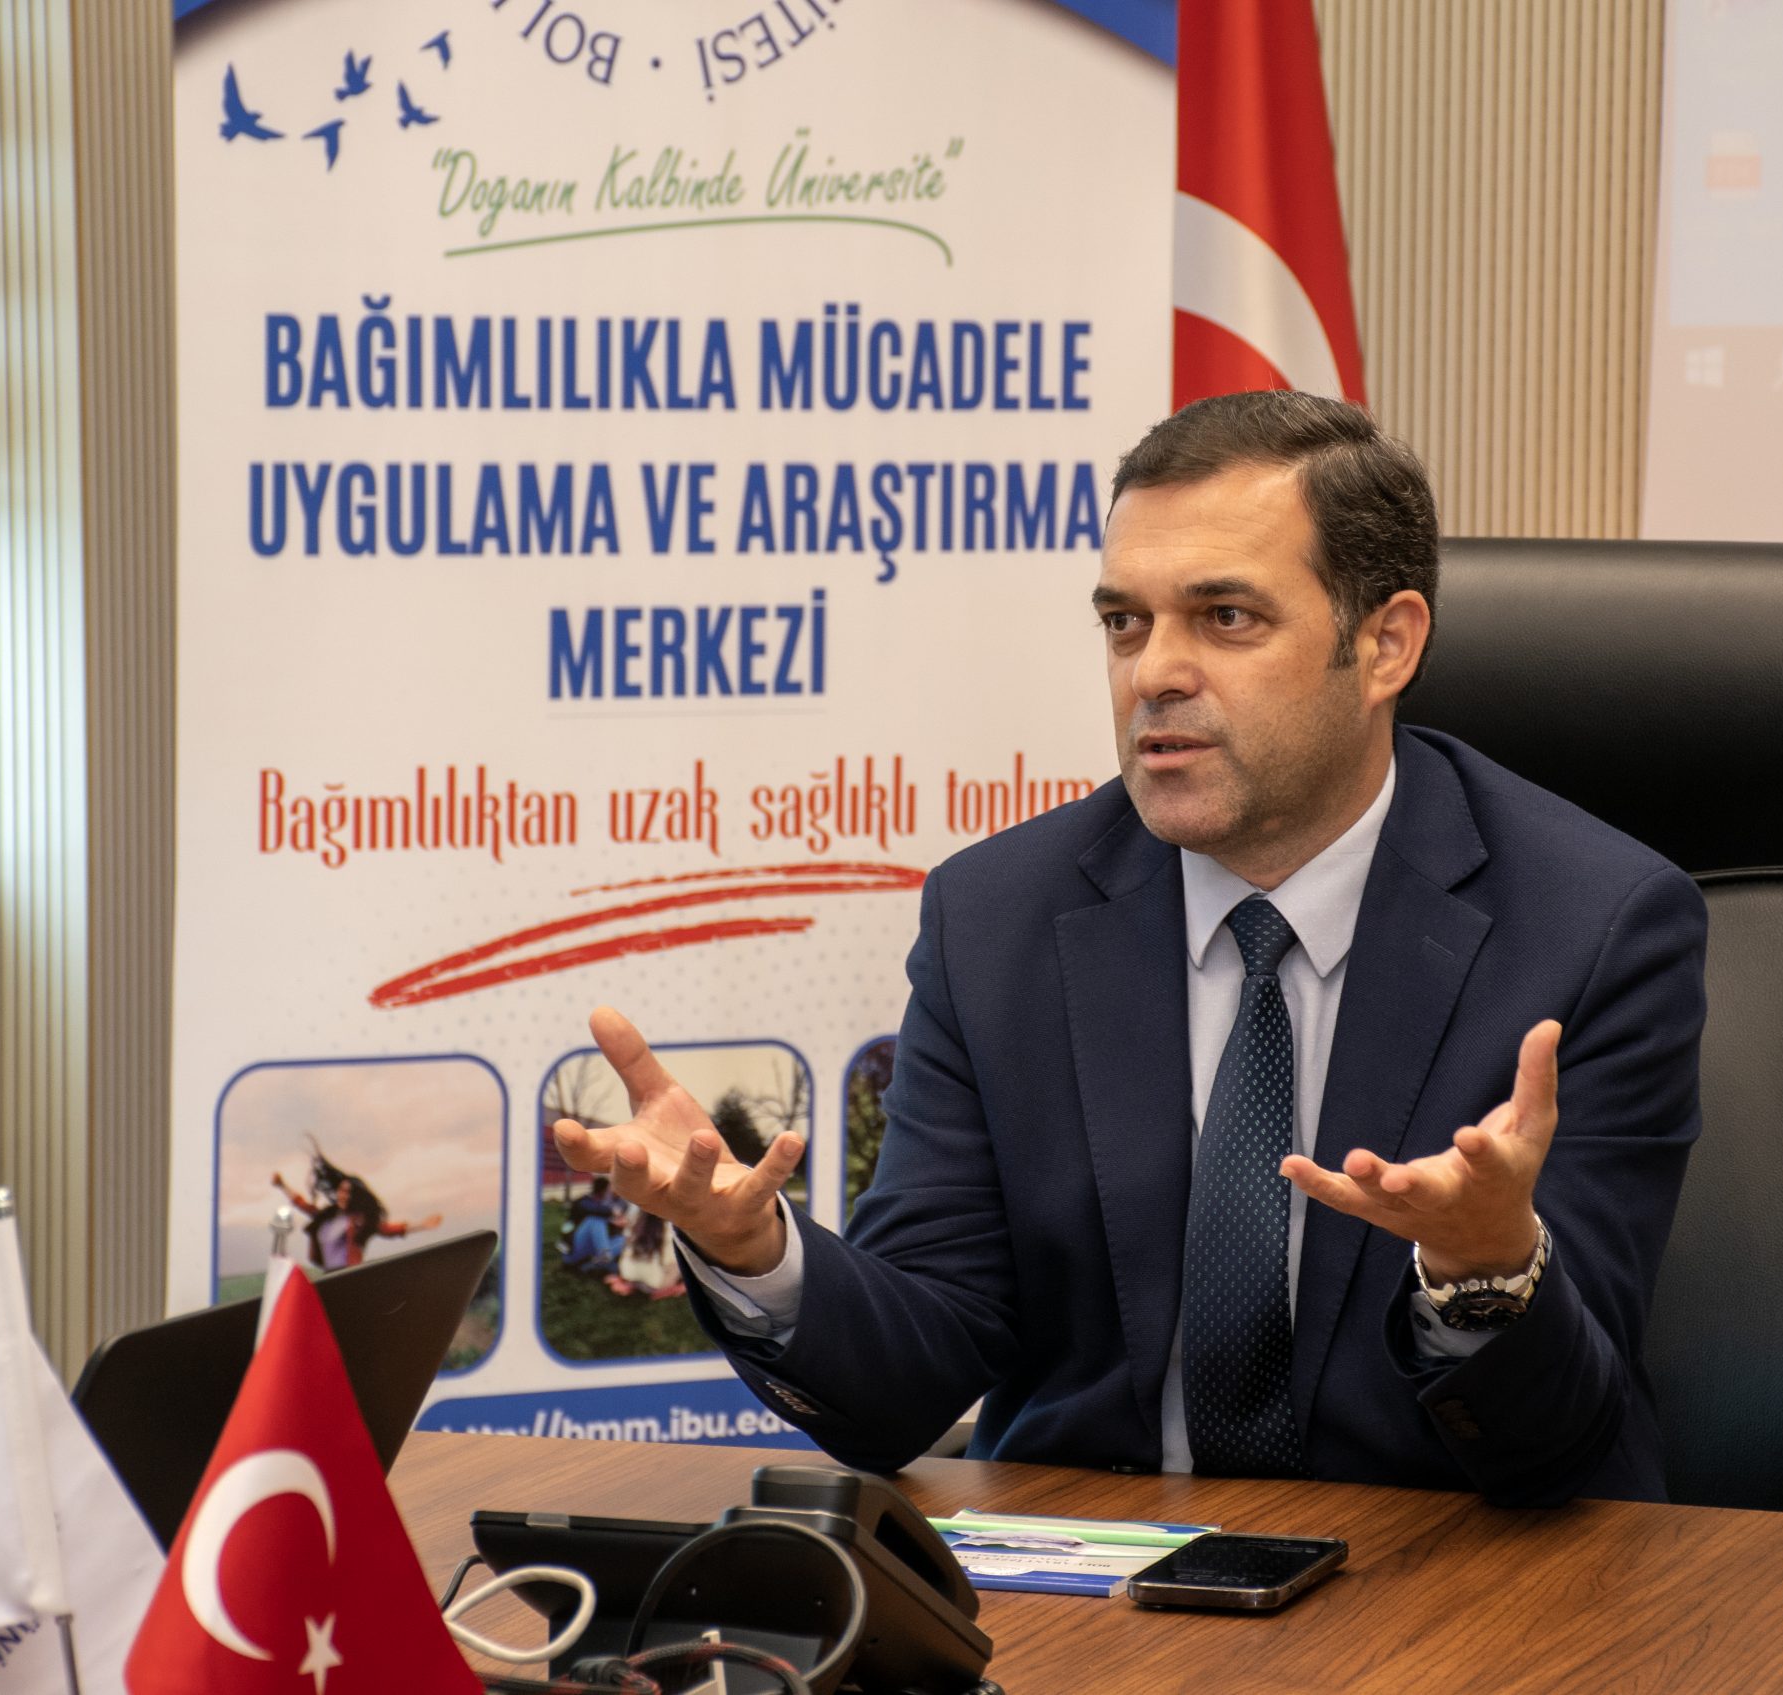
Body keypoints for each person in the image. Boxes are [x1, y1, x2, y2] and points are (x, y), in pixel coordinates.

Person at [552, 392, 1707, 1505]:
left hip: (1455, 1575)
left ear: (1385, 645)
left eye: (1225, 617)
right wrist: (751, 1247)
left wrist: (1484, 1269)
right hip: (1091, 1575)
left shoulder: (1594, 929)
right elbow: (905, 1386)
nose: (1152, 672)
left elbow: (1559, 1447)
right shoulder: (996, 918)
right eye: (1124, 622)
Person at [272, 1147, 443, 1271]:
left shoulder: (358, 1220)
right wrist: (282, 1185)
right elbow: (303, 1205)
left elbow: (385, 1229)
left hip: (350, 1273)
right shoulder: (326, 1216)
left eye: (349, 1193)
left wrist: (422, 1225)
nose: (344, 1196)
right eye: (342, 1191)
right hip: (330, 1274)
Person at [559, 1177, 628, 1276]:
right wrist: (612, 1212)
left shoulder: (603, 1204)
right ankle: (604, 1258)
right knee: (594, 1220)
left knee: (624, 1239)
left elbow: (604, 1218)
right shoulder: (583, 1202)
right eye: (609, 1190)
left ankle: (593, 1264)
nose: (612, 1193)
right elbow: (594, 1210)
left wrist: (617, 1223)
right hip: (574, 1250)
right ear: (603, 1191)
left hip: (589, 1252)